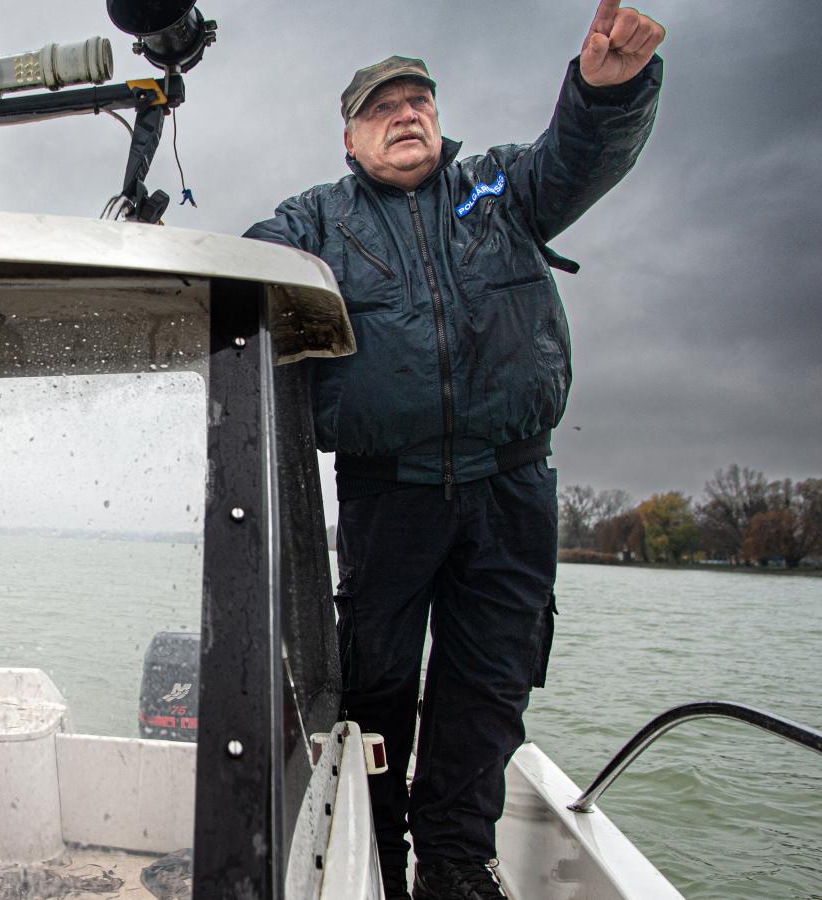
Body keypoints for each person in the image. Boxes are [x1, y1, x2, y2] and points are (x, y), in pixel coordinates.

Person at [243, 3, 664, 898]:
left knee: (489, 685)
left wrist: (605, 90)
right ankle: (379, 858)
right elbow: (240, 274)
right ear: (350, 139)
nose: (406, 115)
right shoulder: (316, 219)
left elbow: (581, 155)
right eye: (383, 107)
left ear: (438, 117)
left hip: (513, 493)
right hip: (385, 496)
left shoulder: (500, 190)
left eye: (418, 101)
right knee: (377, 685)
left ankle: (456, 864)